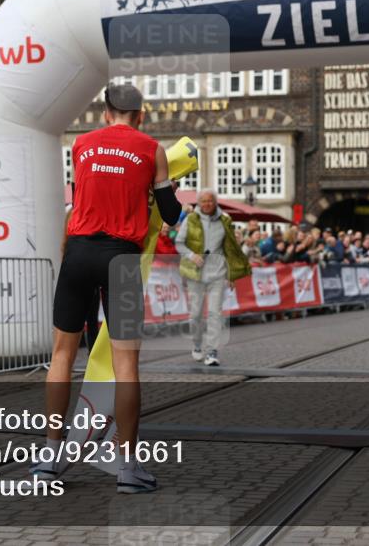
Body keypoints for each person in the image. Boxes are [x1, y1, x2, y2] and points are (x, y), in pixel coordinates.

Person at [31, 83, 181, 494]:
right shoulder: (152, 150)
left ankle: (50, 456)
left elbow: (79, 201)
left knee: (61, 355)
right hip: (122, 257)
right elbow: (171, 213)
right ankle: (128, 470)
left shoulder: (82, 146)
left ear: (104, 113)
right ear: (142, 115)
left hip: (79, 252)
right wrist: (156, 191)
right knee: (127, 366)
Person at [176, 190, 250, 366]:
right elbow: (179, 242)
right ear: (199, 203)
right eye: (203, 201)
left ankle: (212, 351)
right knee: (195, 314)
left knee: (215, 313)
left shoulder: (225, 220)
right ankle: (197, 344)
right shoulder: (191, 219)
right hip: (196, 273)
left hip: (217, 273)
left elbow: (230, 249)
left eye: (210, 201)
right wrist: (192, 255)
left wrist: (231, 274)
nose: (207, 204)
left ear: (215, 202)